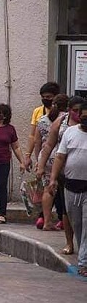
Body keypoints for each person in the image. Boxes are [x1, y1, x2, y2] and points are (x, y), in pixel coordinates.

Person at [37, 96, 83, 255]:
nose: (78, 114)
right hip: (63, 172)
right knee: (66, 211)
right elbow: (49, 145)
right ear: (69, 110)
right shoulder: (61, 123)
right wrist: (42, 167)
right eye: (74, 111)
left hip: (82, 174)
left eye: (80, 111)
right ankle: (69, 242)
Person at [48, 101, 87, 278]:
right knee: (76, 223)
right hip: (71, 186)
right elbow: (60, 157)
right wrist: (53, 179)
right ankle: (82, 252)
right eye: (82, 115)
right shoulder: (70, 133)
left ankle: (84, 261)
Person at [35, 94, 69, 232]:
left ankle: (46, 220)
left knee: (48, 189)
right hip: (62, 157)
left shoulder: (43, 119)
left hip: (47, 157)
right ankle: (64, 220)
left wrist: (39, 161)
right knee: (65, 191)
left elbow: (38, 142)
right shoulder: (66, 119)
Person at [26, 82, 61, 169]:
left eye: (48, 97)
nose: (45, 99)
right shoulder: (38, 111)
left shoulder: (63, 112)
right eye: (43, 97)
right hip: (44, 156)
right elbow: (32, 135)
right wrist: (28, 155)